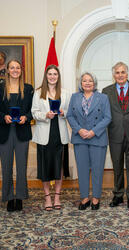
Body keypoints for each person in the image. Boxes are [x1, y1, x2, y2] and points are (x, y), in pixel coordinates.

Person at [67, 72, 111, 210]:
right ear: (81, 83)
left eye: (90, 81)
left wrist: (93, 131)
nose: (87, 83)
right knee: (82, 169)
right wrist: (79, 130)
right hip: (80, 138)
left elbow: (107, 117)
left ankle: (96, 198)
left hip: (97, 138)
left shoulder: (103, 98)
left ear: (94, 83)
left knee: (97, 170)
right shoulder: (74, 97)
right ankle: (85, 198)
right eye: (84, 81)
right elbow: (70, 115)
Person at [102, 62, 129, 209]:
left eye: (123, 72)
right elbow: (104, 113)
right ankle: (118, 195)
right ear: (114, 75)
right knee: (117, 167)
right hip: (115, 134)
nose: (120, 75)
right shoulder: (106, 91)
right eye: (117, 72)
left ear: (127, 74)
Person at [32, 64, 70, 211]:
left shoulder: (66, 93)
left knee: (59, 167)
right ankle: (47, 197)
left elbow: (69, 112)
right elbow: (34, 112)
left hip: (60, 135)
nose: (52, 76)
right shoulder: (38, 93)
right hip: (44, 135)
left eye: (55, 74)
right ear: (46, 76)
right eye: (50, 74)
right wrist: (45, 115)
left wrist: (63, 112)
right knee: (45, 167)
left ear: (58, 76)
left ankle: (57, 197)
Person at [0, 59, 33, 212]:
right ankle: (8, 198)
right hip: (5, 132)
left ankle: (19, 197)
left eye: (17, 67)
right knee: (6, 167)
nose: (15, 70)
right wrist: (3, 117)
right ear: (7, 70)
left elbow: (33, 109)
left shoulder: (28, 89)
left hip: (22, 131)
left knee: (21, 167)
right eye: (12, 68)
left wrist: (26, 117)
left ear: (21, 70)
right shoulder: (0, 87)